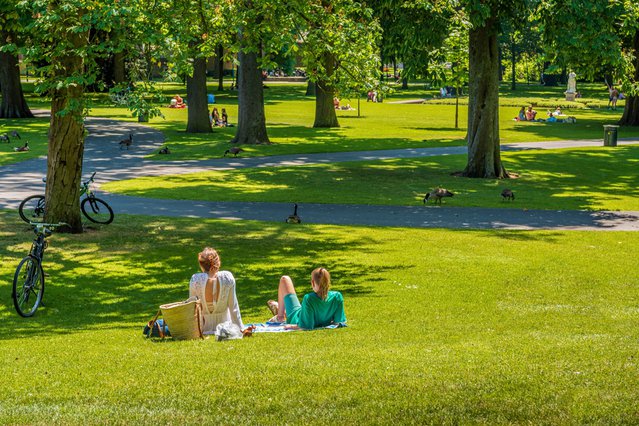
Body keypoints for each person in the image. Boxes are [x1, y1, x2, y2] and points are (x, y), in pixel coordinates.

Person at [266, 268, 346, 330]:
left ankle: (280, 316)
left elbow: (305, 326)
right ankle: (278, 307)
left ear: (313, 282)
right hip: (302, 312)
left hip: (296, 316)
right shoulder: (337, 296)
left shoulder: (309, 298)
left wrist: (289, 326)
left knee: (285, 279)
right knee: (299, 309)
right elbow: (339, 322)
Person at [189, 247, 244, 334]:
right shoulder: (227, 277)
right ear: (217, 262)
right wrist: (241, 328)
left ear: (201, 264)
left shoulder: (195, 279)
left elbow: (192, 307)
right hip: (225, 326)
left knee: (163, 323)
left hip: (202, 328)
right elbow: (233, 307)